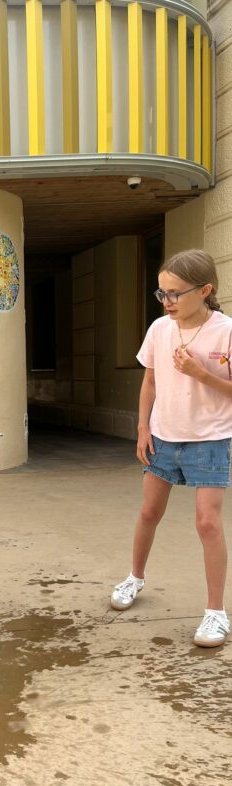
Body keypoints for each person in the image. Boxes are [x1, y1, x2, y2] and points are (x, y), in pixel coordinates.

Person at [110, 249, 232, 648]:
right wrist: (142, 427)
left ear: (206, 290)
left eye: (175, 293)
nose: (167, 301)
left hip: (211, 439)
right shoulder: (160, 329)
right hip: (163, 435)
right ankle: (135, 578)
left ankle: (216, 613)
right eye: (162, 293)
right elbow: (150, 381)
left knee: (208, 523)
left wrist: (202, 373)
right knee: (149, 512)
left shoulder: (226, 332)